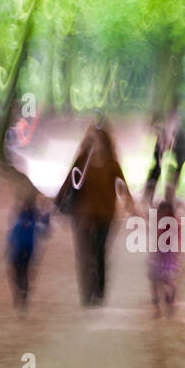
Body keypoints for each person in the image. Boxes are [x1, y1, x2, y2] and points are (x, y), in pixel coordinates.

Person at [54, 113, 136, 306]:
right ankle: (86, 292)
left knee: (99, 251)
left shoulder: (111, 163)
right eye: (92, 136)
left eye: (98, 136)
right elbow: (69, 181)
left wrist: (129, 203)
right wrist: (57, 202)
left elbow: (122, 185)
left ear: (105, 138)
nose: (95, 140)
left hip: (105, 214)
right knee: (84, 253)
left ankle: (99, 290)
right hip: (82, 215)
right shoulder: (82, 160)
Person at [6, 188, 50, 309]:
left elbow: (44, 230)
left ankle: (22, 295)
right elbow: (45, 230)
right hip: (22, 248)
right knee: (18, 272)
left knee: (21, 272)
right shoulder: (30, 214)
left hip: (24, 248)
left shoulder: (30, 215)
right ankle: (21, 294)